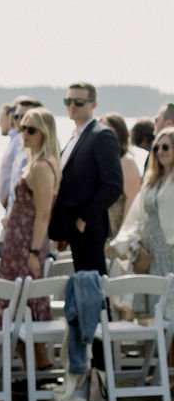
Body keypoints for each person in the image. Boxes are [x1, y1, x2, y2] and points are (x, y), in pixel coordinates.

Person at [0, 108, 60, 369]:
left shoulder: (42, 167)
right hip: (18, 240)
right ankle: (31, 367)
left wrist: (34, 253)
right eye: (22, 128)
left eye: (31, 130)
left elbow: (44, 214)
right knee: (18, 300)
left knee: (26, 300)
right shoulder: (34, 162)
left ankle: (40, 365)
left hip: (27, 243)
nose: (25, 134)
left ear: (45, 133)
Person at [48, 82, 123, 275]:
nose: (72, 106)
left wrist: (84, 220)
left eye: (78, 102)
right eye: (68, 101)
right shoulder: (74, 137)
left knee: (92, 285)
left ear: (93, 105)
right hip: (71, 230)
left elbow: (113, 185)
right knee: (82, 284)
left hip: (89, 230)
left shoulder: (102, 135)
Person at [113, 127, 174, 320]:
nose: (160, 152)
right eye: (156, 148)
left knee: (169, 308)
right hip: (149, 252)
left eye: (166, 147)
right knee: (150, 308)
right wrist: (130, 241)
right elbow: (137, 215)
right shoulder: (152, 179)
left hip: (170, 252)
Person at [100, 113, 142, 244]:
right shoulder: (102, 160)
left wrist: (122, 238)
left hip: (117, 234)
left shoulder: (127, 162)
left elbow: (133, 202)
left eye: (107, 130)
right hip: (100, 232)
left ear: (120, 134)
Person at [0, 102, 19, 209]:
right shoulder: (14, 141)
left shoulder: (17, 142)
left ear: (9, 117)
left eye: (1, 118)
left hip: (13, 206)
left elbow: (17, 174)